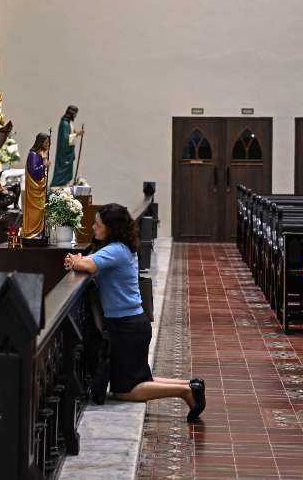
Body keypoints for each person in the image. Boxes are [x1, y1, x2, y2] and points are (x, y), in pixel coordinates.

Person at [64, 203, 206, 422]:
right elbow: (90, 261)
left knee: (127, 390)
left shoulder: (115, 250)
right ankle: (189, 385)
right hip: (132, 323)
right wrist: (79, 260)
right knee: (141, 378)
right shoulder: (121, 247)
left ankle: (185, 391)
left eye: (98, 224)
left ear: (111, 228)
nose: (93, 227)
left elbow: (89, 266)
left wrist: (75, 260)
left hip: (126, 327)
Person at [22, 133, 51, 238]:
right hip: (34, 189)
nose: (48, 144)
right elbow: (34, 173)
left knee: (41, 211)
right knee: (35, 211)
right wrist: (44, 165)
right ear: (40, 142)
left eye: (49, 142)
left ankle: (39, 232)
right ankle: (32, 232)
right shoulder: (33, 155)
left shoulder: (39, 154)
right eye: (46, 142)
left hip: (40, 189)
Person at [51, 105, 84, 187]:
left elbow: (70, 133)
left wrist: (74, 132)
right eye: (75, 113)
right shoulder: (65, 123)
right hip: (64, 153)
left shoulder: (69, 123)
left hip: (68, 152)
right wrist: (77, 134)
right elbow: (65, 139)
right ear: (71, 113)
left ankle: (64, 183)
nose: (76, 115)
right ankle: (58, 184)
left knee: (68, 170)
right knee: (62, 169)